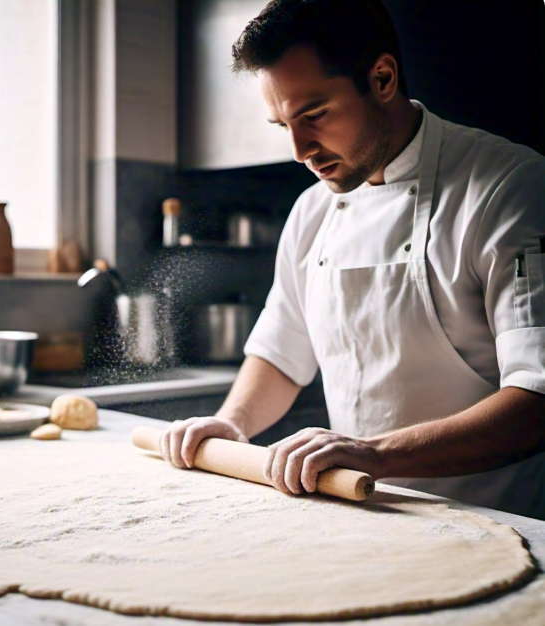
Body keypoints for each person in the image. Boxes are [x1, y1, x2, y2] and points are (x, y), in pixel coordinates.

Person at [160, 0, 545, 519]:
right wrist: (233, 423)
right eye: (283, 125)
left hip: (496, 524)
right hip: (365, 518)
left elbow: (537, 401)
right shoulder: (312, 210)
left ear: (382, 78)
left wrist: (374, 453)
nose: (300, 150)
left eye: (314, 115)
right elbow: (281, 349)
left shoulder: (508, 186)